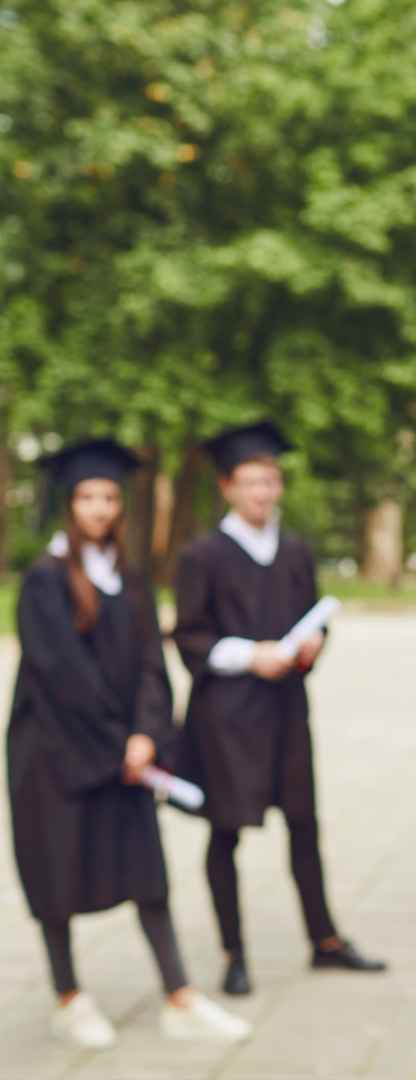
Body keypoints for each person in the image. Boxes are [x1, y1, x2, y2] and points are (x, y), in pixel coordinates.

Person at [8, 439, 251, 1048]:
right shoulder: (43, 581)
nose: (99, 508)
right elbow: (62, 676)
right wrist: (121, 743)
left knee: (147, 875)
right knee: (56, 876)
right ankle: (69, 996)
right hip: (56, 757)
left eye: (109, 497)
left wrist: (147, 733)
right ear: (69, 503)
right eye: (88, 497)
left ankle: (179, 996)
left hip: (125, 754)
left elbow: (151, 663)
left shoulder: (130, 577)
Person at [173, 420, 385, 997]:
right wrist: (249, 655)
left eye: (270, 481)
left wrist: (312, 648)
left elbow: (314, 618)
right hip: (227, 714)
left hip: (288, 707)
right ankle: (233, 951)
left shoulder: (294, 551)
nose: (262, 493)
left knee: (303, 823)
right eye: (250, 482)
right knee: (225, 831)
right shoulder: (203, 556)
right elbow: (189, 637)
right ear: (227, 487)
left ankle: (325, 941)